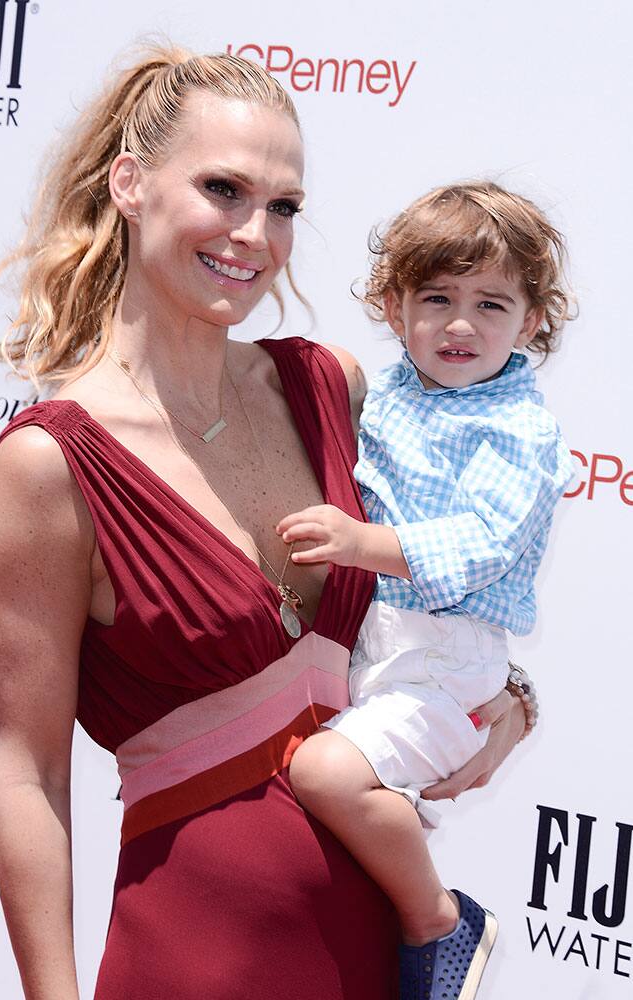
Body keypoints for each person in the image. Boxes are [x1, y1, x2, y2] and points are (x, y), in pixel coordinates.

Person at [0, 48, 527, 1000]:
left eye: (283, 207)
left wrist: (509, 698)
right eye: (223, 189)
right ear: (130, 184)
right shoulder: (49, 465)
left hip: (379, 956)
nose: (253, 234)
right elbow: (29, 779)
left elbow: (451, 569)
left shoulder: (332, 387)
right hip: (195, 962)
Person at [280, 181, 574, 1000]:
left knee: (327, 777)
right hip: (379, 645)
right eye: (435, 298)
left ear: (533, 321)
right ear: (390, 303)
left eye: (489, 304)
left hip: (448, 661)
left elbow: (483, 543)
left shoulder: (518, 425)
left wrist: (359, 543)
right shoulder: (388, 391)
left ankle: (437, 922)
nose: (458, 325)